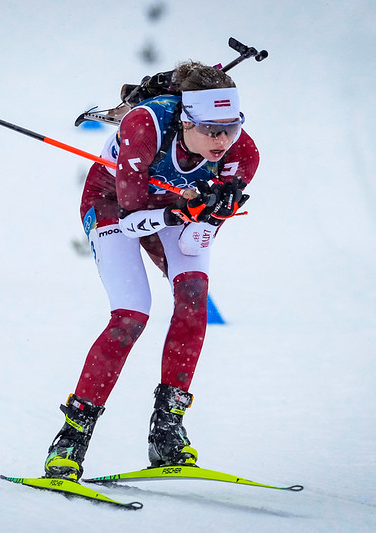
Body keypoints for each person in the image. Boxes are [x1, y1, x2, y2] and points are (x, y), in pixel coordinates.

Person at [43, 61, 260, 481]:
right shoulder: (145, 126)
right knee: (131, 316)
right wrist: (182, 209)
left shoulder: (243, 152)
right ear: (186, 120)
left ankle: (167, 430)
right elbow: (132, 215)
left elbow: (206, 225)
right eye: (211, 129)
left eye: (231, 128)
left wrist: (210, 215)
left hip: (174, 208)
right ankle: (71, 438)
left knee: (193, 297)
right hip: (112, 202)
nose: (222, 140)